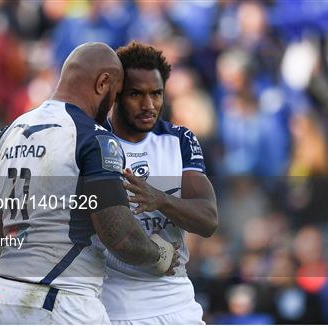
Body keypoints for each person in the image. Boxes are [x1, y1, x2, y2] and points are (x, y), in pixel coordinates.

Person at [0, 42, 179, 324]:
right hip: (58, 297)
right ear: (103, 82)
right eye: (115, 95)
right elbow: (119, 235)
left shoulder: (11, 130)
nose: (112, 107)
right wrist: (160, 254)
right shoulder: (93, 138)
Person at [100, 41, 218, 324]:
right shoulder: (93, 141)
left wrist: (161, 199)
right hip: (113, 308)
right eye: (136, 94)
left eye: (156, 94)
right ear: (116, 93)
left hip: (176, 301)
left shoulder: (179, 140)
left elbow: (208, 220)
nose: (148, 105)